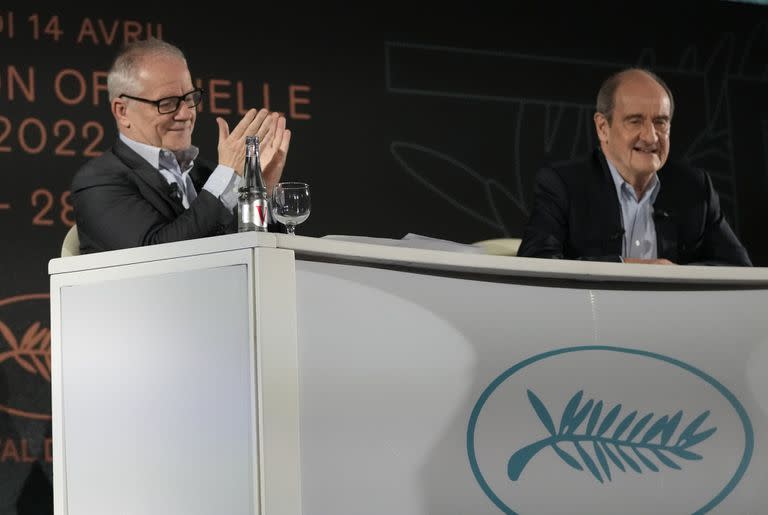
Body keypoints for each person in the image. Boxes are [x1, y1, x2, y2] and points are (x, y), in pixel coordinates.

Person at [71, 38, 291, 253]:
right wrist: (228, 174)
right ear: (122, 111)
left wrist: (261, 193)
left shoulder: (208, 176)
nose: (186, 114)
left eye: (189, 98)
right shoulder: (98, 181)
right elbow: (156, 255)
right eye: (166, 103)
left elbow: (257, 254)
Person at [518, 68, 751, 266]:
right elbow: (537, 261)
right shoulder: (563, 185)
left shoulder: (695, 188)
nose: (651, 137)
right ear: (602, 128)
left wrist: (677, 277)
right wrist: (627, 268)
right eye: (635, 121)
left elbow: (737, 269)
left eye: (661, 122)